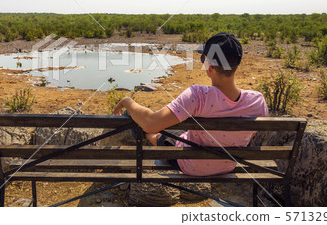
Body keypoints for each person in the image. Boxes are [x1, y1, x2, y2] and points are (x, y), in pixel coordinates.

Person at [113, 32, 269, 176]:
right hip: (228, 165)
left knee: (163, 135)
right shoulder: (257, 101)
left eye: (204, 59)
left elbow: (151, 123)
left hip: (192, 165)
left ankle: (146, 135)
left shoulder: (198, 96)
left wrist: (127, 101)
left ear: (210, 67)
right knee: (179, 131)